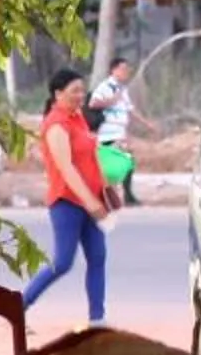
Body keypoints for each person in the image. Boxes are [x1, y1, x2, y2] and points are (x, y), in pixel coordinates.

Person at [21, 69, 110, 325]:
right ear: (58, 94)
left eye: (82, 90)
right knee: (62, 262)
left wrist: (104, 190)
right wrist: (89, 201)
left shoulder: (78, 118)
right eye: (74, 91)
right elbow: (66, 167)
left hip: (91, 199)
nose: (80, 95)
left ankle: (97, 318)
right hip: (67, 202)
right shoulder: (55, 124)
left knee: (98, 257)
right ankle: (20, 305)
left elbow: (91, 155)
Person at [90, 55, 137, 207]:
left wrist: (147, 124)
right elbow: (93, 103)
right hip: (108, 133)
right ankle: (117, 195)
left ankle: (124, 194)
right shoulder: (105, 86)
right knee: (118, 164)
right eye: (122, 69)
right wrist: (112, 101)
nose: (126, 72)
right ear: (113, 70)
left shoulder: (122, 89)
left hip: (119, 132)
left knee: (126, 161)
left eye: (127, 69)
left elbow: (129, 110)